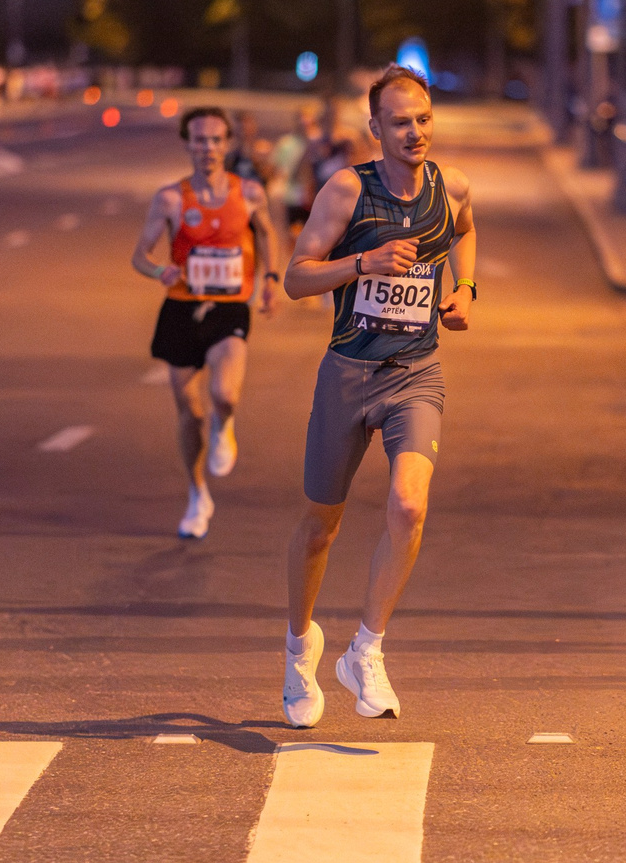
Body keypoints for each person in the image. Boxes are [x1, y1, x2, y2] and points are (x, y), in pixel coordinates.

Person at [277, 65, 477, 726]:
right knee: (318, 528)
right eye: (399, 122)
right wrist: (362, 263)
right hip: (347, 375)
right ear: (376, 130)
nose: (414, 132)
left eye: (422, 119)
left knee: (409, 504)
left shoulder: (451, 189)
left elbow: (466, 230)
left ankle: (366, 648)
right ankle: (300, 647)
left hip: (415, 373)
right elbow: (296, 279)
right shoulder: (345, 192)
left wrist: (463, 290)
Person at [131, 105, 283, 540]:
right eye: (199, 140)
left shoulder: (250, 193)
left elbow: (268, 232)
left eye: (216, 140)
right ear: (187, 145)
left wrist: (270, 279)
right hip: (181, 309)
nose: (208, 148)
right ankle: (197, 493)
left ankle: (226, 424)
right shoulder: (170, 199)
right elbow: (140, 255)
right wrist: (160, 271)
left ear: (227, 144)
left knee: (224, 393)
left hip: (230, 306)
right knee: (188, 412)